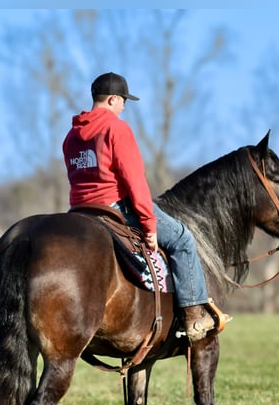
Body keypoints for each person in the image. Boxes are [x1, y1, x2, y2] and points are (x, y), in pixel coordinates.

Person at [62, 72, 230, 343]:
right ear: (113, 99)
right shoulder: (116, 129)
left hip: (80, 210)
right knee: (183, 239)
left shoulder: (72, 135)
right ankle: (193, 316)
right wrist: (149, 225)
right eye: (123, 101)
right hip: (116, 207)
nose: (124, 107)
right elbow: (134, 181)